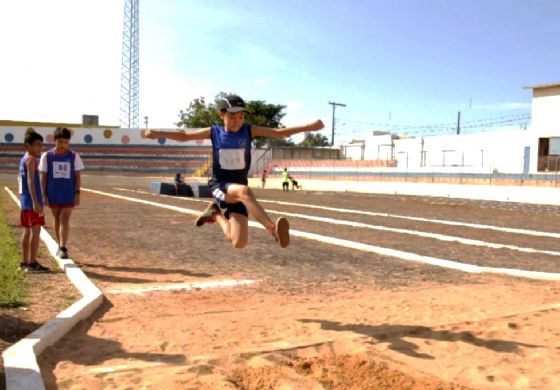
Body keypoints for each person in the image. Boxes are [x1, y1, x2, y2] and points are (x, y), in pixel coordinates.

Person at [142, 94, 324, 249]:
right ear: (222, 115)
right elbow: (184, 135)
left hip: (237, 191)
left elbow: (277, 132)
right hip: (220, 185)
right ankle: (273, 229)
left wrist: (308, 127)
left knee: (239, 242)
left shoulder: (248, 131)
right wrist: (159, 133)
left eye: (241, 117)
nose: (237, 121)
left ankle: (215, 214)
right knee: (245, 191)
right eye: (233, 117)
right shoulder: (214, 132)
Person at [39, 127, 85, 259]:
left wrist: (77, 193)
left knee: (65, 220)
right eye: (60, 142)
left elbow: (77, 176)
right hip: (53, 193)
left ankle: (63, 247)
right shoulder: (47, 156)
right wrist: (44, 195)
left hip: (68, 193)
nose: (63, 145)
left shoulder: (74, 156)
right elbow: (43, 177)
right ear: (54, 141)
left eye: (65, 142)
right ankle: (60, 245)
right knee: (57, 219)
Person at [19, 128, 49, 272]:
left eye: (41, 145)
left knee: (26, 230)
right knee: (36, 231)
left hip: (25, 201)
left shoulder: (23, 158)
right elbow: (31, 181)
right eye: (37, 144)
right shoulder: (31, 159)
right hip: (32, 202)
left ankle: (24, 262)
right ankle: (32, 263)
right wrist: (36, 202)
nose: (40, 148)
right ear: (28, 145)